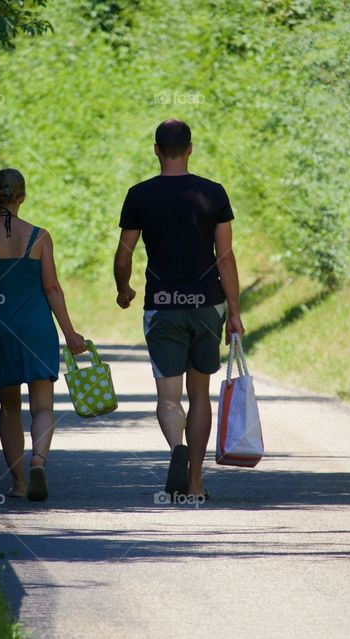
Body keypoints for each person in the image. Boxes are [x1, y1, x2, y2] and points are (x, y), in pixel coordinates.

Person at [113, 119, 244, 498]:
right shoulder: (213, 193)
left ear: (156, 149)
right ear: (190, 149)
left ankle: (176, 448)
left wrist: (124, 290)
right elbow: (225, 258)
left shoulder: (139, 195)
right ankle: (196, 482)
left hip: (163, 305)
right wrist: (234, 313)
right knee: (199, 394)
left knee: (169, 397)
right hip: (207, 304)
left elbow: (123, 256)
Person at [0, 168, 86, 502]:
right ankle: (38, 460)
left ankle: (18, 483)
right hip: (37, 329)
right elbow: (52, 288)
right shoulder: (41, 237)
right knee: (43, 407)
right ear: (22, 197)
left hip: (0, 329)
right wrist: (69, 332)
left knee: (8, 409)